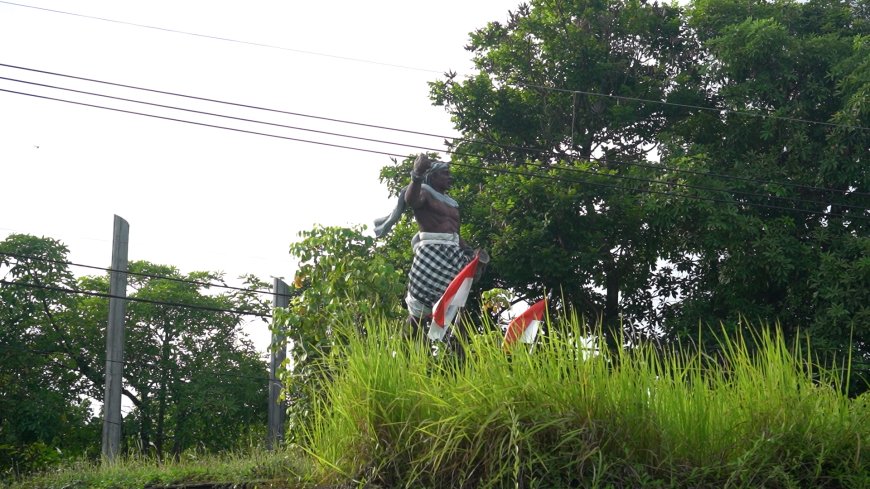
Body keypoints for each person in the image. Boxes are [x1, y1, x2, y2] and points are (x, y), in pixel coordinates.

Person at [374, 154, 486, 331]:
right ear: (433, 176)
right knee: (420, 305)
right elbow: (411, 201)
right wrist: (416, 174)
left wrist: (470, 252)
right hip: (431, 251)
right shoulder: (424, 191)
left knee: (456, 302)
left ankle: (455, 349)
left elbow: (455, 233)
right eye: (445, 173)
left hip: (454, 253)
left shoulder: (453, 203)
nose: (451, 177)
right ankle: (406, 346)